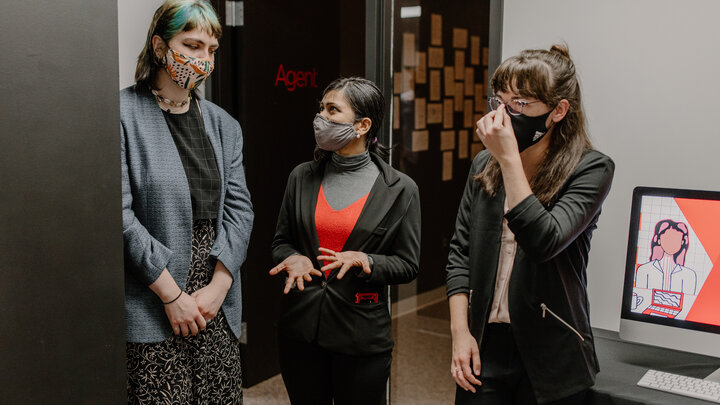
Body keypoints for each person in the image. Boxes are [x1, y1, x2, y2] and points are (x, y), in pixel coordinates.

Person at [445, 44, 615, 404]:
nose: (504, 116)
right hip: (485, 345)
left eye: (520, 105)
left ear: (558, 111)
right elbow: (460, 253)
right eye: (500, 102)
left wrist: (509, 159)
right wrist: (460, 333)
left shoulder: (592, 169)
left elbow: (543, 240)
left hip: (552, 350)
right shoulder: (482, 165)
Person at [121, 1, 253, 403]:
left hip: (216, 301)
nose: (203, 59)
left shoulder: (223, 124)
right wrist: (173, 297)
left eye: (211, 50)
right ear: (161, 47)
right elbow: (120, 216)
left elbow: (239, 211)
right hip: (154, 301)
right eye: (192, 45)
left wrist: (218, 287)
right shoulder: (121, 114)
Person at [269, 77, 421, 405]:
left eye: (332, 110)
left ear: (363, 125)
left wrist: (366, 260)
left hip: (361, 337)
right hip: (300, 333)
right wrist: (293, 258)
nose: (320, 118)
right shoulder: (301, 176)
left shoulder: (400, 189)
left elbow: (408, 264)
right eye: (320, 108)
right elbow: (282, 241)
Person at [635, 219, 696, 294]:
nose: (671, 243)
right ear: (659, 240)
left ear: (682, 242)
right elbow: (640, 298)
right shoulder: (644, 270)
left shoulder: (689, 275)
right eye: (668, 238)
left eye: (676, 239)